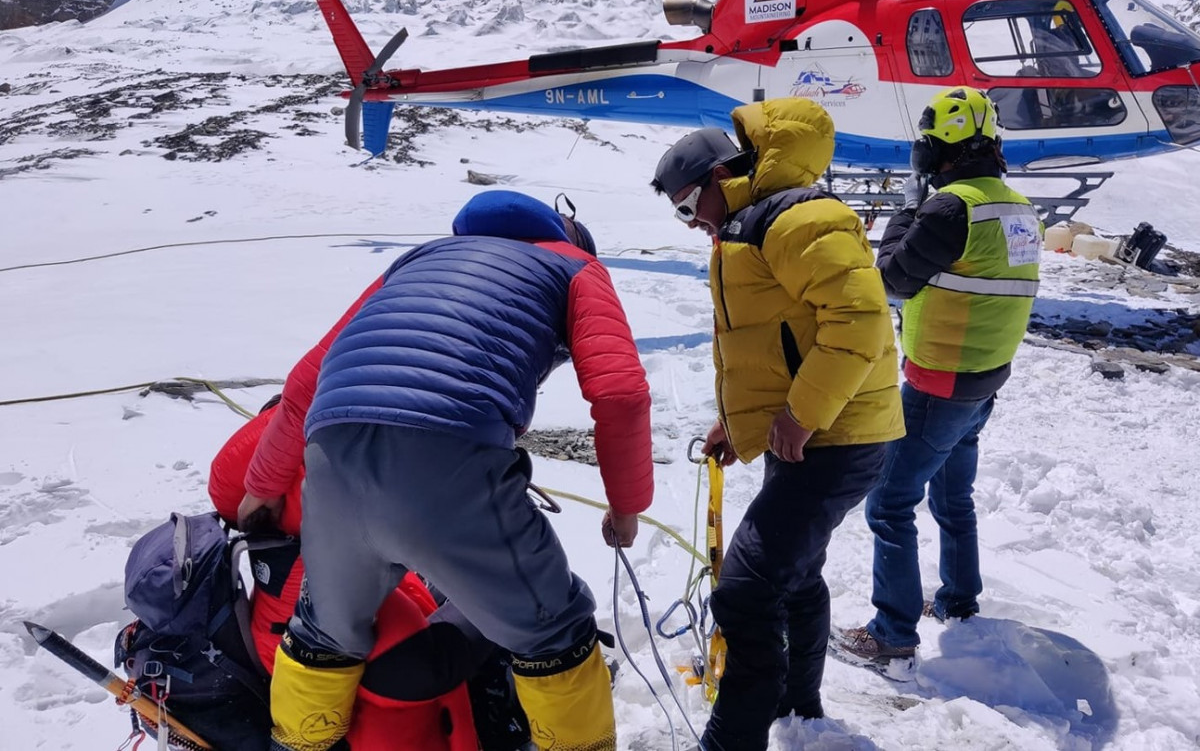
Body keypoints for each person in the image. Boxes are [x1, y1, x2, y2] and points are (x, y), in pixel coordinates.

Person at [238, 190, 654, 751]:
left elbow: (303, 383)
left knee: (324, 637)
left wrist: (262, 486)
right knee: (554, 634)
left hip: (331, 455)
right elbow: (621, 393)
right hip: (450, 459)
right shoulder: (575, 266)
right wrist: (627, 504)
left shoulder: (416, 260)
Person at [650, 97, 905, 751]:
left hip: (836, 436)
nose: (687, 224)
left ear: (718, 178)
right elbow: (776, 343)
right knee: (794, 572)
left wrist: (800, 415)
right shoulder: (754, 224)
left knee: (743, 595)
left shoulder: (795, 221)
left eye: (686, 207)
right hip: (821, 433)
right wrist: (743, 427)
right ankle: (800, 706)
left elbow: (861, 323)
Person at [835, 86, 1041, 667]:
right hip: (984, 379)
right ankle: (957, 598)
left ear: (939, 150)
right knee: (954, 496)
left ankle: (892, 633)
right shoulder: (1017, 207)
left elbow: (892, 281)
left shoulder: (951, 209)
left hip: (939, 383)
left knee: (889, 504)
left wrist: (906, 210)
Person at [209, 401, 529, 751]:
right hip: (394, 690)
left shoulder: (283, 545)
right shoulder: (334, 544)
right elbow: (419, 664)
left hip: (357, 672)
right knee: (513, 597)